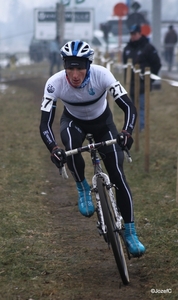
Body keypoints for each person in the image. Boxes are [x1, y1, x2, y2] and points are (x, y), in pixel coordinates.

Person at [39, 40, 145, 257]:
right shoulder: (55, 83)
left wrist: (126, 132)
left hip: (103, 124)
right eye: (70, 67)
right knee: (69, 144)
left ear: (88, 65)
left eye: (80, 67)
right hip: (74, 123)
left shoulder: (102, 74)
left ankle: (131, 232)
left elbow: (129, 107)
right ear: (64, 66)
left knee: (117, 174)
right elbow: (44, 124)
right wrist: (53, 148)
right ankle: (82, 188)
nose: (75, 74)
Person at [123, 24, 161, 131]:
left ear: (140, 34)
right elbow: (126, 66)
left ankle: (141, 128)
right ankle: (132, 127)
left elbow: (157, 64)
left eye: (135, 34)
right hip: (130, 84)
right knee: (131, 107)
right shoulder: (127, 48)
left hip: (143, 84)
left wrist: (150, 79)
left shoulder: (148, 47)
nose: (133, 36)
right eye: (131, 34)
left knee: (142, 106)